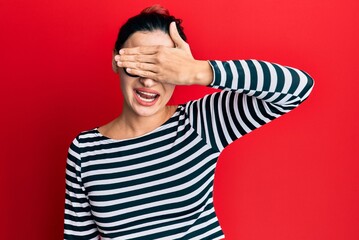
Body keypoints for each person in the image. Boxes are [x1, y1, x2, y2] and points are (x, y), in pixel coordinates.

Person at [64, 5, 314, 240]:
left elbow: (298, 88)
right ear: (115, 61)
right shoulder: (85, 150)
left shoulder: (201, 121)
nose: (148, 82)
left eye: (161, 68)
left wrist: (198, 71)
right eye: (138, 65)